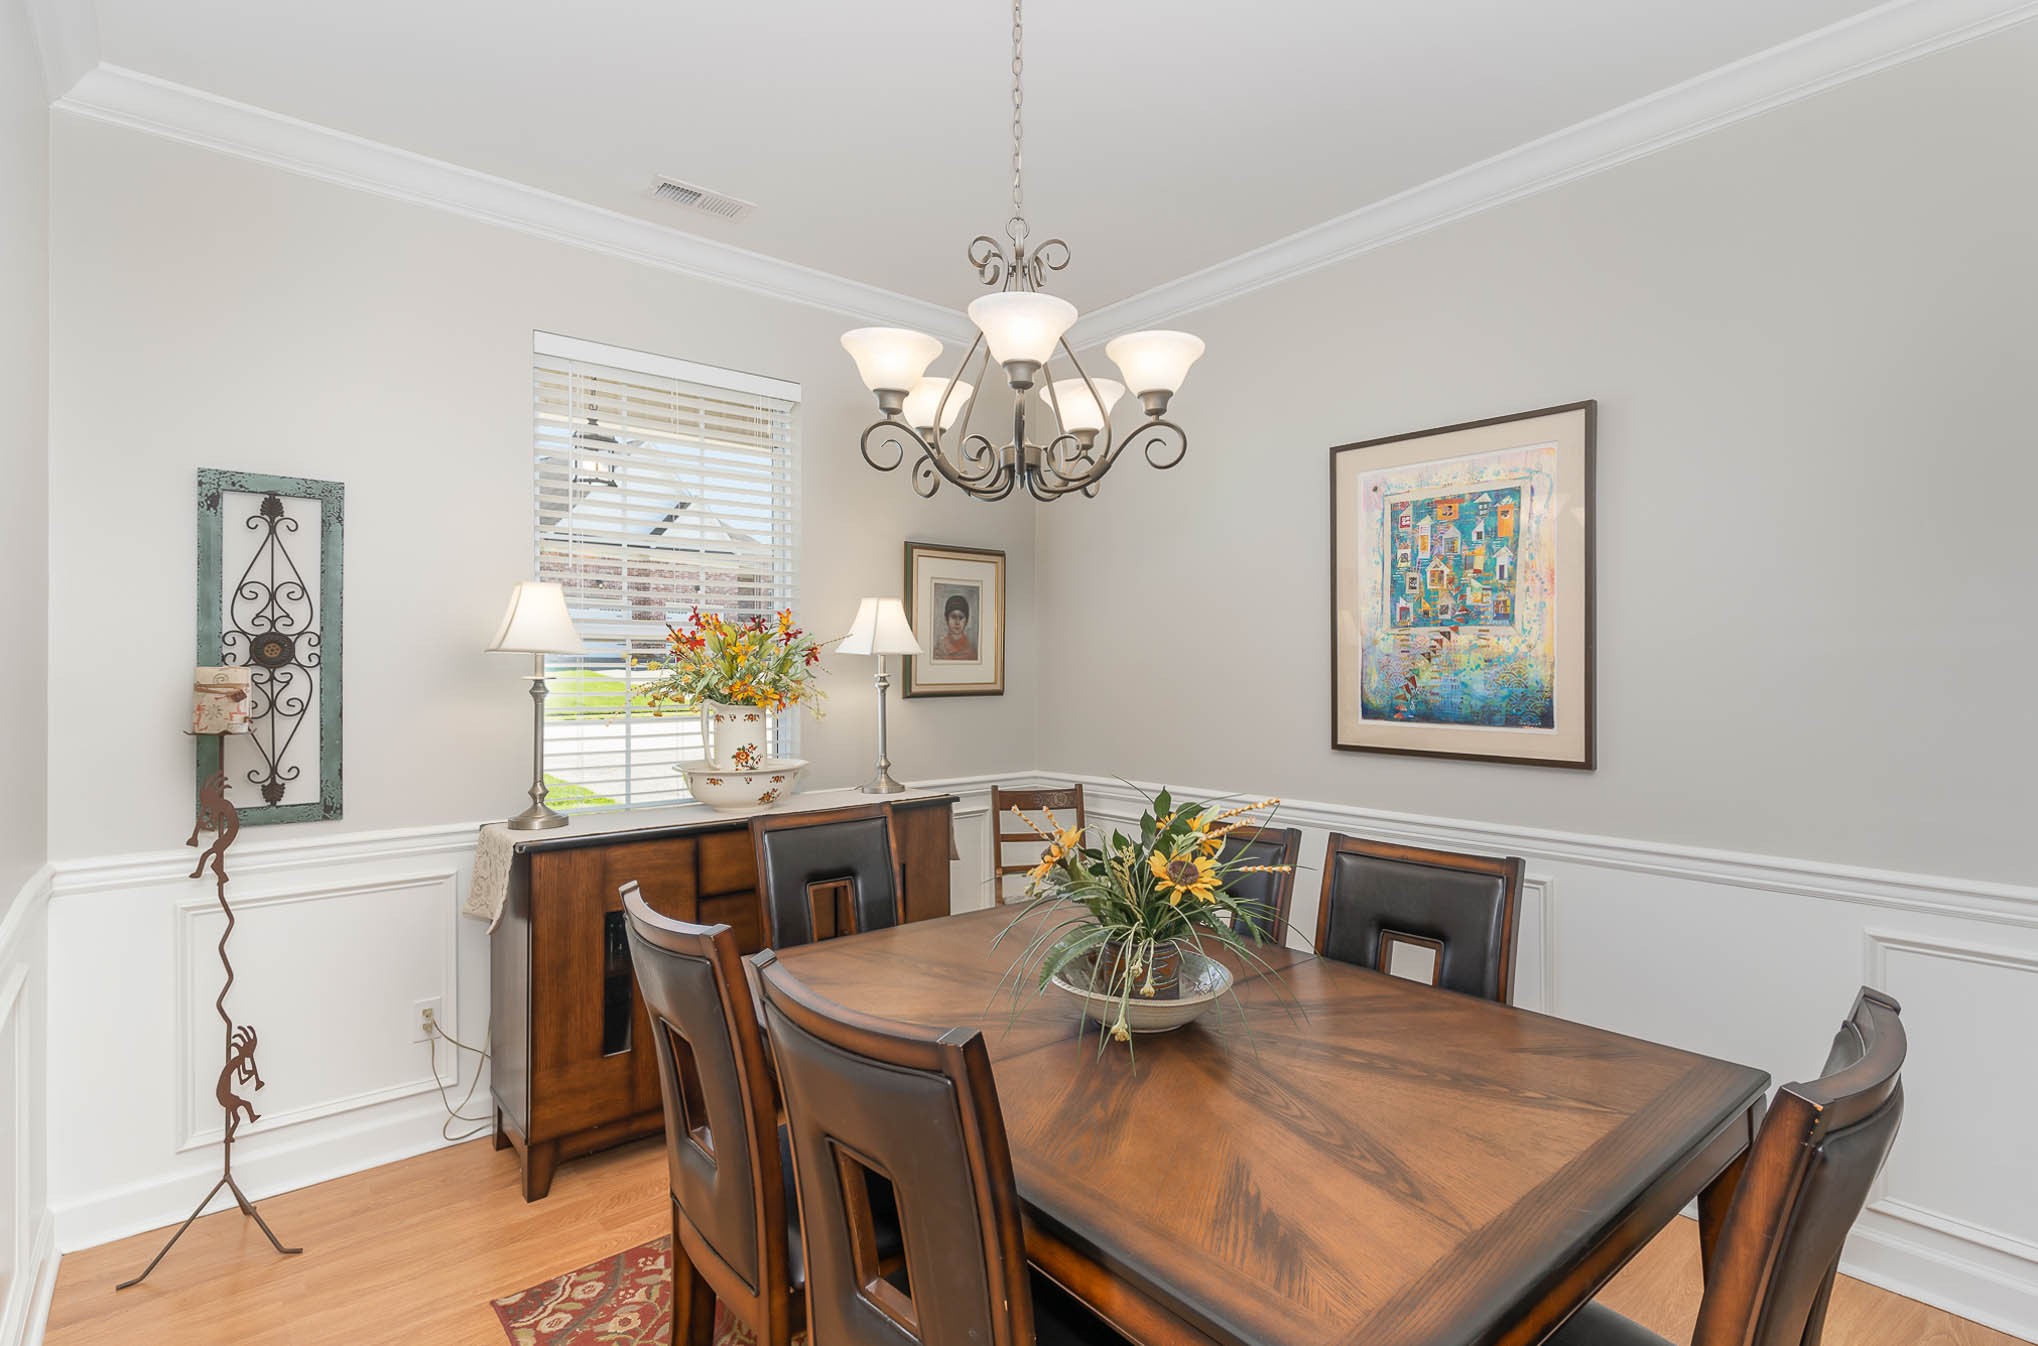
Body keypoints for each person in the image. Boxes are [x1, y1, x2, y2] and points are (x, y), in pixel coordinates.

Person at [933, 592, 977, 661]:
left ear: (966, 621)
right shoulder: (939, 651)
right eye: (953, 617)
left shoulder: (972, 652)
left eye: (961, 617)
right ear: (946, 619)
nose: (957, 622)